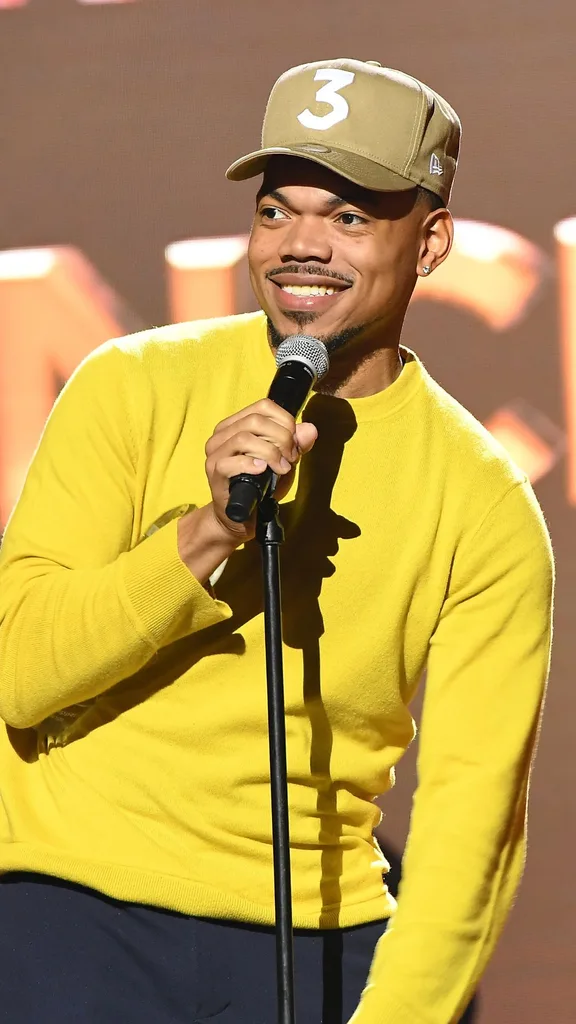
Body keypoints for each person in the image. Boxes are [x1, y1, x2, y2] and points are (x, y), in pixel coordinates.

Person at [0, 58, 553, 1024]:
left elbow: (474, 823)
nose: (301, 246)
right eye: (275, 211)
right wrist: (209, 531)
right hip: (71, 915)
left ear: (430, 244)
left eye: (348, 218)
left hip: (313, 941)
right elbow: (20, 673)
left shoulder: (485, 502)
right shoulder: (129, 384)